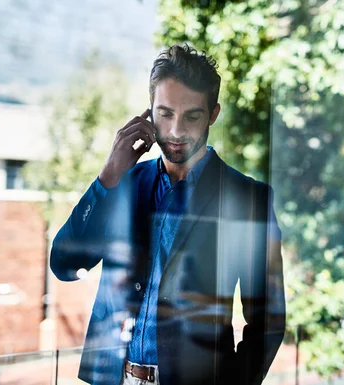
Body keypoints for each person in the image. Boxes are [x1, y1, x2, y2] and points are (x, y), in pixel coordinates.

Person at [50, 43, 286, 385]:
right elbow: (65, 265)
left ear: (213, 114)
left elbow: (268, 320)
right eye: (165, 113)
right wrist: (107, 178)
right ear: (149, 112)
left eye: (192, 115)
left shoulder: (248, 199)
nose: (176, 131)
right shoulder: (123, 185)